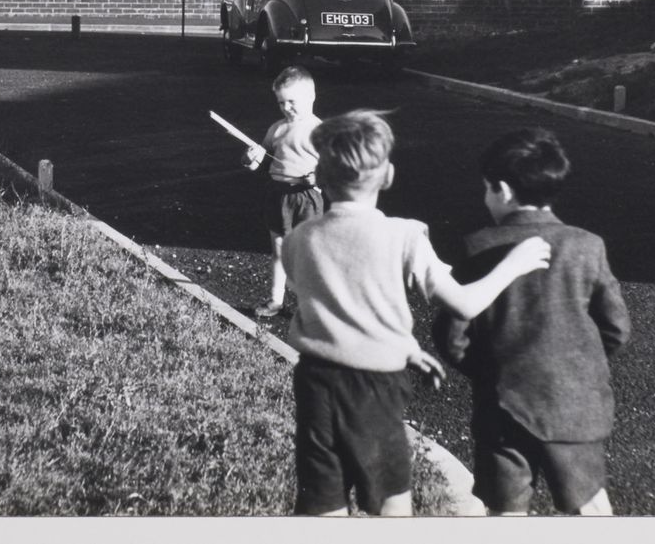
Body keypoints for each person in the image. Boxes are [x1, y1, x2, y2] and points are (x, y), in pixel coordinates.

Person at [281, 110, 552, 517]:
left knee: (323, 499)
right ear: (387, 175)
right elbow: (463, 303)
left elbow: (342, 303)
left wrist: (405, 345)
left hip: (315, 381)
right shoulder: (405, 235)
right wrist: (513, 265)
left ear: (320, 176)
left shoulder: (299, 238)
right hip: (375, 389)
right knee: (391, 499)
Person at [433, 127, 631, 517]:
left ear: (503, 190)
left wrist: (486, 370)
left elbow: (451, 334)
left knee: (505, 510)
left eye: (487, 188)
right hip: (574, 404)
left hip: (503, 402)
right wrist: (579, 362)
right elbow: (616, 328)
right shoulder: (586, 246)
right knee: (589, 506)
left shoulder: (478, 248)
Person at [249, 66, 324, 319]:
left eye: (292, 101)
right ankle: (275, 300)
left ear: (311, 97)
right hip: (278, 195)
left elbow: (335, 166)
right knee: (279, 250)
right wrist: (251, 157)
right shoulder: (277, 129)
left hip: (307, 197)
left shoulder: (319, 130)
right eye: (281, 102)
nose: (286, 107)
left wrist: (319, 176)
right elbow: (256, 160)